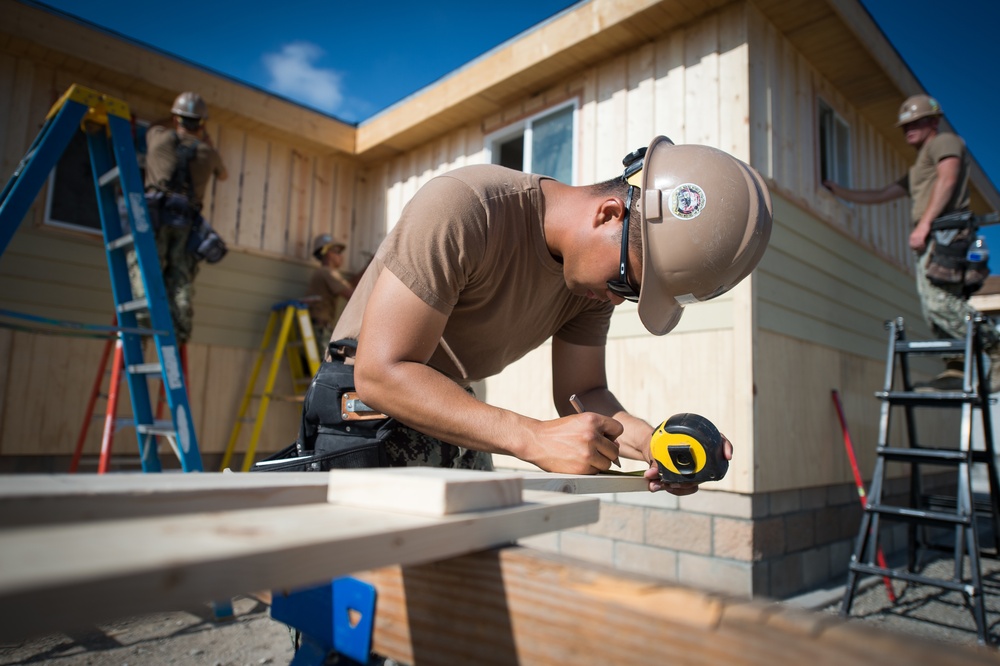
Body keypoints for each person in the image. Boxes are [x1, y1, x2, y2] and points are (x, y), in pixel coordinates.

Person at [283, 136, 771, 495]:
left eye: (635, 294)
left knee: (457, 604)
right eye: (626, 282)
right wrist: (530, 437)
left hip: (452, 408)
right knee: (360, 611)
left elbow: (584, 393)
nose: (618, 300)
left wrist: (656, 445)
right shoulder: (468, 207)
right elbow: (381, 374)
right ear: (608, 215)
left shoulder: (591, 287)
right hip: (364, 411)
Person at [823, 94, 1000, 392]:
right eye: (905, 126)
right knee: (936, 305)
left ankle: (995, 347)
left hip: (945, 232)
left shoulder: (945, 143)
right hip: (936, 234)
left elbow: (948, 178)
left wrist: (927, 223)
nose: (909, 130)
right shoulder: (920, 166)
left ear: (934, 121)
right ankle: (956, 367)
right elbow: (881, 194)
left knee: (939, 303)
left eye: (915, 123)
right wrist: (839, 190)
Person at [128, 91, 228, 345]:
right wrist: (205, 138)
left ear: (176, 119)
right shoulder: (209, 154)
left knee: (146, 265)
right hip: (186, 221)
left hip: (155, 216)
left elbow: (153, 126)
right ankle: (180, 328)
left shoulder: (158, 138)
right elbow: (223, 174)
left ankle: (142, 317)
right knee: (180, 277)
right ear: (202, 124)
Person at [306, 234, 355, 346]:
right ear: (327, 253)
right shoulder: (327, 272)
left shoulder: (324, 273)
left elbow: (348, 285)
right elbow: (351, 294)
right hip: (321, 329)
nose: (341, 256)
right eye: (337, 251)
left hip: (316, 328)